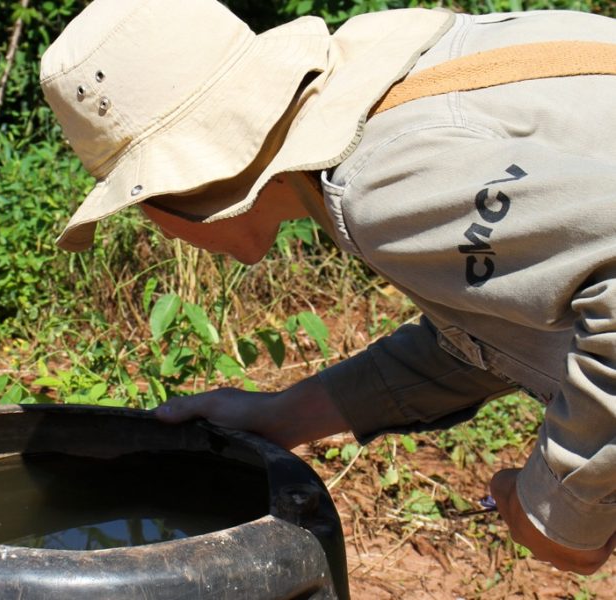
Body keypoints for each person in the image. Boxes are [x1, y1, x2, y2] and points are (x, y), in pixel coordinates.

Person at [39, 0, 616, 576]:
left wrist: (561, 511)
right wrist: (285, 416)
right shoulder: (405, 81)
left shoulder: (381, 183)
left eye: (136, 202)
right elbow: (495, 327)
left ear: (181, 187)